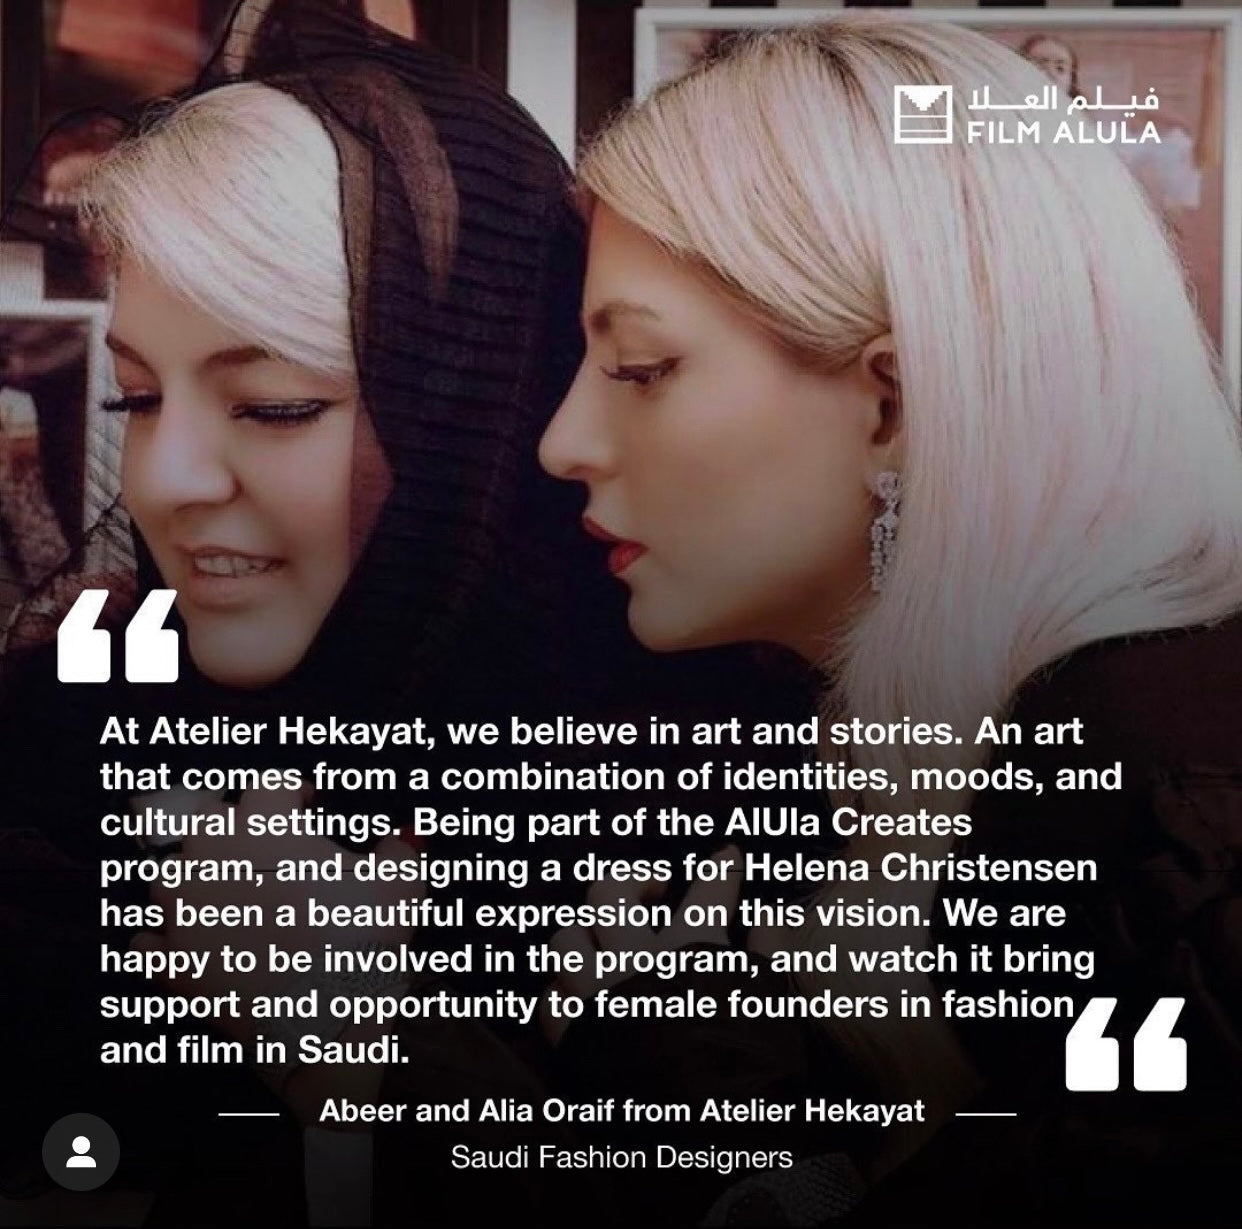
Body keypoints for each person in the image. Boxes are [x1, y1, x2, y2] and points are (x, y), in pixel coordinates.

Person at [538, 15, 1242, 1225]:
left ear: (894, 404)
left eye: (641, 368)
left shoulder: (1160, 823)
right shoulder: (884, 745)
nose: (564, 442)